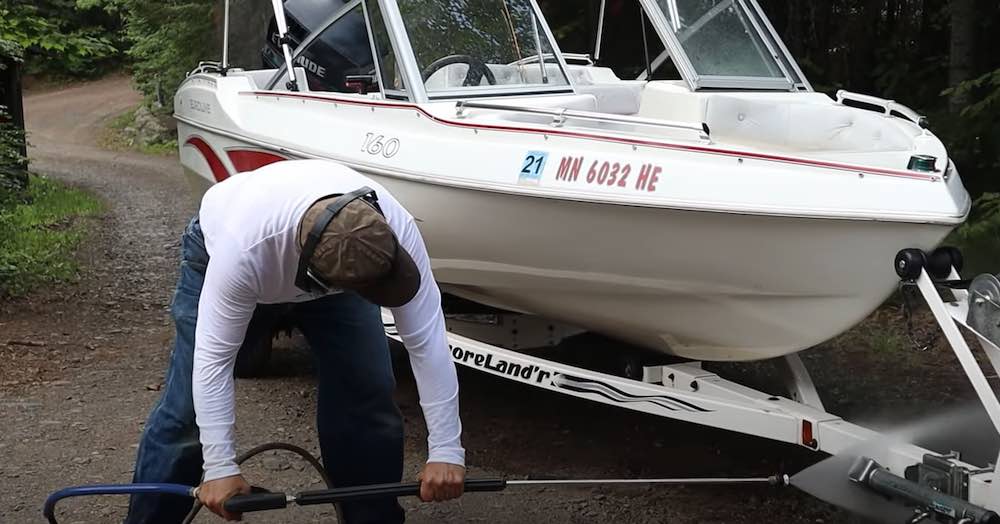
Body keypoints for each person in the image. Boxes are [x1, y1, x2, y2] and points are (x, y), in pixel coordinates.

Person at [125, 159, 465, 523]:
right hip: (228, 255)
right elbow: (214, 363)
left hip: (333, 264)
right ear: (316, 277)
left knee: (366, 391)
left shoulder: (389, 234)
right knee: (185, 413)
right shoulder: (243, 253)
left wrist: (446, 449)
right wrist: (220, 466)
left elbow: (427, 340)